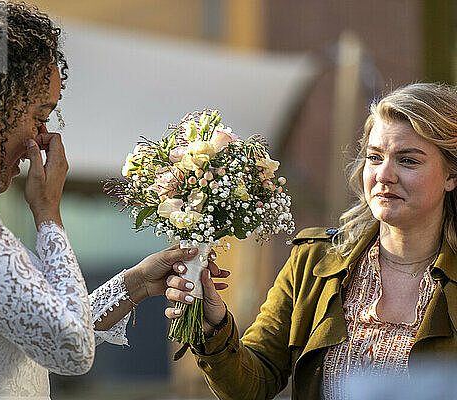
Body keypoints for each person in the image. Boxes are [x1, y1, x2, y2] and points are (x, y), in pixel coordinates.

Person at [0, 1, 226, 399]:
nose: (40, 138)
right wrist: (48, 215)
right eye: (39, 115)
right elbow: (71, 349)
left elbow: (41, 326)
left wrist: (135, 283)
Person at [165, 82, 457, 399]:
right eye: (374, 157)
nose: (384, 175)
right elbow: (252, 384)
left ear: (451, 175)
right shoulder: (314, 260)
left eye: (408, 160)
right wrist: (214, 325)